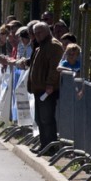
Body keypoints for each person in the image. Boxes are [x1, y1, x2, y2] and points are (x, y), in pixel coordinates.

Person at [28, 22, 64, 157]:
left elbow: (55, 67)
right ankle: (44, 145)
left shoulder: (54, 46)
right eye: (35, 33)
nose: (37, 36)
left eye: (40, 32)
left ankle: (50, 147)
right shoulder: (40, 47)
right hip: (39, 89)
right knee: (40, 119)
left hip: (47, 90)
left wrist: (49, 84)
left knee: (46, 119)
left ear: (47, 31)